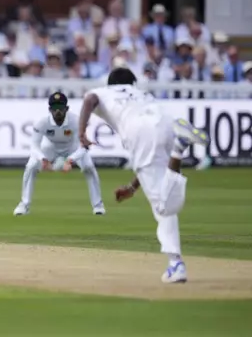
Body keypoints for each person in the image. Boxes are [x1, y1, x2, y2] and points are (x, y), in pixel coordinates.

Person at [78, 67, 210, 284]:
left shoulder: (104, 92)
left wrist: (81, 131)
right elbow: (150, 165)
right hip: (165, 123)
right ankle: (179, 145)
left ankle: (176, 264)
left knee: (164, 207)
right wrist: (132, 187)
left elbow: (89, 99)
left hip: (138, 129)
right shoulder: (141, 94)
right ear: (133, 83)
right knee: (165, 190)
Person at [14, 92, 105, 216]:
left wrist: (70, 160)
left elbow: (84, 147)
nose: (58, 111)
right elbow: (34, 146)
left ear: (66, 108)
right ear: (49, 109)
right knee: (31, 166)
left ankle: (98, 206)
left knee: (89, 167)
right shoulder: (42, 122)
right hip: (50, 148)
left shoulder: (76, 121)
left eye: (61, 108)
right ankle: (24, 205)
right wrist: (43, 159)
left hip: (72, 147)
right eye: (54, 108)